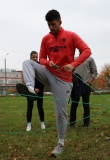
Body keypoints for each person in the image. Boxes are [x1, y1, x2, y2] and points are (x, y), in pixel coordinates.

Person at [19, 9, 91, 157]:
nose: (51, 28)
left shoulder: (71, 35)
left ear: (60, 22)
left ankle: (61, 143)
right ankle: (30, 89)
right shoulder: (46, 39)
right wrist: (47, 62)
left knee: (60, 114)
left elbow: (87, 50)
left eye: (53, 24)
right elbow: (42, 58)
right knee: (28, 62)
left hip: (64, 80)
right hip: (48, 73)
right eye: (48, 25)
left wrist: (73, 64)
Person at [70, 56, 97, 127]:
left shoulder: (90, 59)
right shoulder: (74, 59)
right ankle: (72, 124)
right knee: (74, 104)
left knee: (86, 104)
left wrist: (89, 82)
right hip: (76, 85)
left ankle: (86, 124)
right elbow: (70, 70)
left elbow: (94, 72)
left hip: (86, 85)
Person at [26, 51, 45, 131]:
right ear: (30, 57)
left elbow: (43, 79)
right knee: (30, 107)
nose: (35, 58)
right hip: (30, 90)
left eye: (36, 57)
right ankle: (29, 125)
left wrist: (38, 88)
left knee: (40, 107)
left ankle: (42, 123)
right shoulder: (27, 66)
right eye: (33, 57)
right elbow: (26, 78)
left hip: (39, 91)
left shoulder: (40, 66)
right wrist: (32, 88)